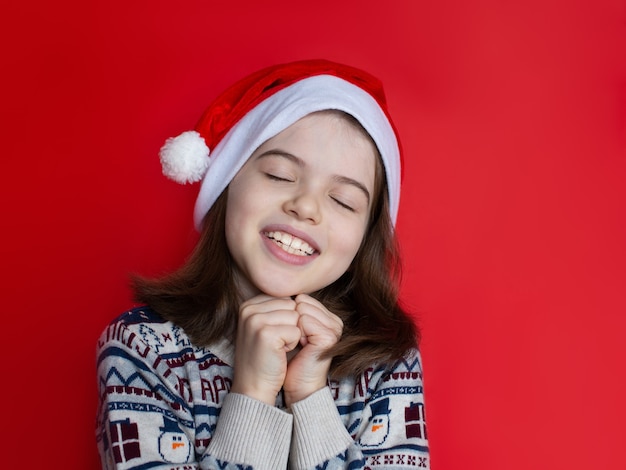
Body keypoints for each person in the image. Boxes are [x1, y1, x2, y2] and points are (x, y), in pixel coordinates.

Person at [96, 59, 429, 470]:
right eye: (279, 175)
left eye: (343, 201)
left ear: (365, 239)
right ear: (227, 180)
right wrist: (253, 393)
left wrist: (309, 396)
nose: (305, 206)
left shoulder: (386, 362)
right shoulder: (143, 350)